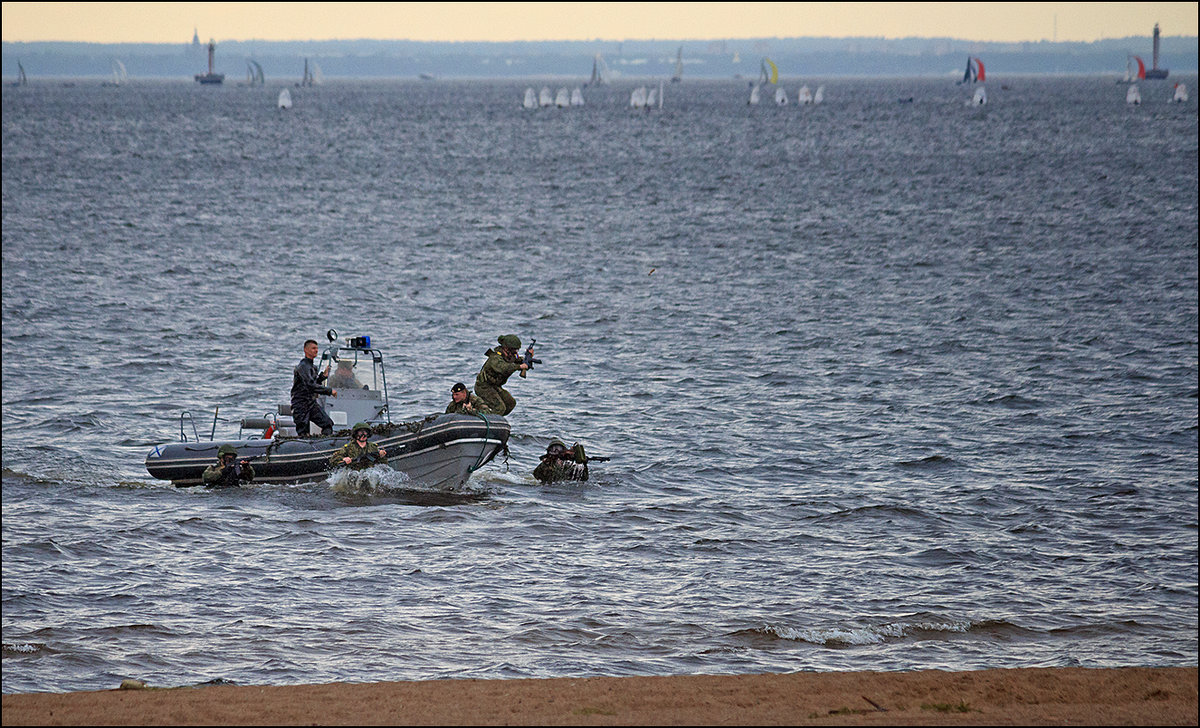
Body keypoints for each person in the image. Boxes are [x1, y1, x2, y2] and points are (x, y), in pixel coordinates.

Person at [473, 334, 529, 416]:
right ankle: (486, 420)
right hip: (484, 386)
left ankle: (495, 418)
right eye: (513, 350)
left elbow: (517, 360)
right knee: (499, 407)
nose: (515, 353)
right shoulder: (495, 358)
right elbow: (503, 368)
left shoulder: (509, 356)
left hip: (494, 386)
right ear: (506, 348)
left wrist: (527, 358)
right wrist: (519, 367)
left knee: (510, 403)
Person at [291, 339, 337, 437]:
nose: (316, 350)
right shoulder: (303, 366)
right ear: (306, 350)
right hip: (300, 404)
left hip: (311, 403)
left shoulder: (313, 367)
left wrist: (322, 377)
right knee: (303, 431)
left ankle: (324, 444)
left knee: (328, 424)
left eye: (317, 348)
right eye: (313, 348)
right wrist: (329, 391)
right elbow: (310, 385)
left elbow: (314, 383)